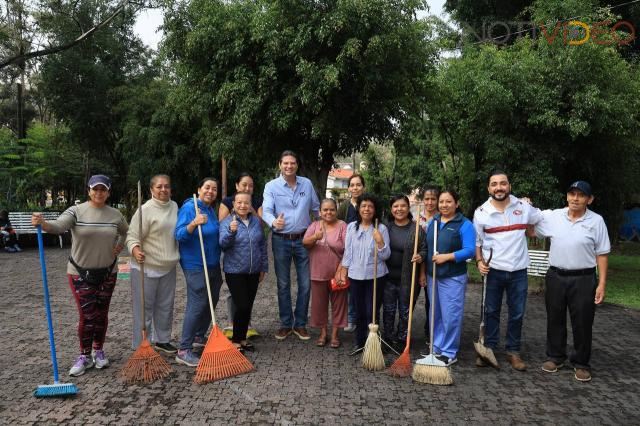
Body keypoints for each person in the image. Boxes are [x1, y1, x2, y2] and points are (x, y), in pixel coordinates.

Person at [31, 174, 128, 376]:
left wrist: (119, 246)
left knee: (101, 315)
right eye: (95, 189)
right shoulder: (76, 211)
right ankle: (84, 355)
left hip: (108, 272)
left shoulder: (115, 214)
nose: (99, 193)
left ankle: (98, 351)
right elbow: (59, 226)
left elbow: (126, 231)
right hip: (80, 273)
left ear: (108, 192)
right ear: (89, 190)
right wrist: (44, 223)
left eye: (103, 189)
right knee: (88, 315)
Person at [534, 181, 610, 382]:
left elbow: (602, 254)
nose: (575, 198)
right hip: (556, 276)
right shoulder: (554, 216)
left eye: (581, 195)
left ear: (589, 199)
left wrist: (601, 283)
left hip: (584, 278)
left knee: (583, 321)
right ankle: (556, 357)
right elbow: (532, 229)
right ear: (567, 196)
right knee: (555, 318)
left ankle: (581, 363)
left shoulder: (596, 221)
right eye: (572, 194)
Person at [473, 170, 543, 371]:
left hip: (519, 270)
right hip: (493, 270)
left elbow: (541, 219)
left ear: (509, 186)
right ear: (489, 188)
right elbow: (478, 242)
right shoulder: (481, 212)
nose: (499, 187)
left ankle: (513, 351)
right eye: (494, 184)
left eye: (503, 183)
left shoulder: (523, 206)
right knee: (491, 311)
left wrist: (531, 227)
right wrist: (479, 261)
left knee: (517, 313)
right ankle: (489, 350)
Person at [262, 150, 320, 341]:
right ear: (280, 165)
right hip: (281, 240)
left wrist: (322, 229)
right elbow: (266, 210)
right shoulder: (271, 186)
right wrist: (273, 222)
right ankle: (286, 324)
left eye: (292, 163)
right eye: (285, 163)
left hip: (304, 240)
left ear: (297, 165)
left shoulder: (307, 184)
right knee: (283, 283)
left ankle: (300, 324)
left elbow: (316, 208)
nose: (289, 166)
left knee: (305, 283)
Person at [126, 174, 180, 353]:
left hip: (168, 265)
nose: (163, 189)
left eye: (167, 186)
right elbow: (132, 236)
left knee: (165, 306)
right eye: (159, 186)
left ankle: (162, 339)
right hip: (145, 266)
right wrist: (135, 250)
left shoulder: (174, 206)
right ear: (151, 190)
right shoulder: (145, 210)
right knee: (143, 310)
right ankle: (141, 344)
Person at [174, 177, 223, 367]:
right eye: (207, 188)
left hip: (212, 263)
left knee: (213, 297)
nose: (210, 191)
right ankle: (184, 349)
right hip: (195, 264)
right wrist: (193, 223)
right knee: (198, 301)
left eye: (214, 189)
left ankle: (198, 336)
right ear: (199, 189)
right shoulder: (189, 208)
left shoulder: (210, 210)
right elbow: (179, 235)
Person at [425, 189, 475, 366]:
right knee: (435, 313)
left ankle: (449, 352)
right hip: (433, 276)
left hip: (452, 277)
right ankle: (437, 347)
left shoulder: (464, 224)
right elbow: (427, 245)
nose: (444, 205)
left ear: (456, 203)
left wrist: (447, 257)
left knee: (450, 315)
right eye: (441, 202)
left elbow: (470, 250)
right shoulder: (434, 222)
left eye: (448, 202)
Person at [339, 194, 390, 354]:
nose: (366, 209)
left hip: (375, 276)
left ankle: (373, 341)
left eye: (370, 206)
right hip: (355, 275)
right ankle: (359, 341)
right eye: (363, 206)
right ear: (359, 209)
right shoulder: (351, 227)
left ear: (375, 210)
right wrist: (344, 270)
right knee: (359, 311)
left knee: (372, 311)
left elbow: (386, 255)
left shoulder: (380, 228)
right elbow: (347, 252)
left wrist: (380, 242)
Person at [219, 192, 268, 352]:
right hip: (234, 271)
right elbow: (223, 244)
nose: (242, 206)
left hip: (253, 271)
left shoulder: (256, 222)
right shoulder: (227, 222)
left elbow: (262, 246)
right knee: (242, 305)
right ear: (233, 204)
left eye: (246, 203)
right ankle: (235, 339)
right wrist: (231, 232)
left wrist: (263, 267)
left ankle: (242, 338)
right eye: (239, 203)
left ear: (250, 205)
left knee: (248, 306)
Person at [303, 199, 348, 348]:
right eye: (325, 210)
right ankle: (323, 333)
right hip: (318, 272)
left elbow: (349, 249)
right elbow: (305, 243)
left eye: (332, 209)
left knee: (339, 304)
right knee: (319, 305)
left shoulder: (343, 226)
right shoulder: (314, 225)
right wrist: (316, 237)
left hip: (338, 274)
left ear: (336, 210)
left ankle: (335, 335)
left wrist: (342, 269)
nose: (329, 212)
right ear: (320, 212)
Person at [384, 195, 426, 350]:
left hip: (408, 280)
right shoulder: (386, 228)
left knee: (405, 311)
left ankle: (402, 340)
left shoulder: (416, 229)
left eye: (402, 206)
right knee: (388, 310)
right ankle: (387, 338)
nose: (399, 209)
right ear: (391, 209)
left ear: (408, 208)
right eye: (395, 206)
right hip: (387, 278)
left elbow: (424, 249)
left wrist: (420, 256)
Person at [337, 174, 365, 333]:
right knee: (350, 288)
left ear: (363, 187)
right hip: (348, 251)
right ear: (348, 188)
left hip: (366, 251)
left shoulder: (368, 204)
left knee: (365, 286)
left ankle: (366, 318)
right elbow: (339, 225)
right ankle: (351, 318)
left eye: (358, 185)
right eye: (352, 185)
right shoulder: (345, 206)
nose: (355, 188)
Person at [417, 185, 440, 341]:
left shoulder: (442, 218)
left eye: (433, 199)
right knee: (409, 300)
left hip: (435, 265)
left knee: (432, 302)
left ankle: (430, 332)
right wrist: (421, 271)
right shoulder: (416, 219)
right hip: (416, 263)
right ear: (422, 200)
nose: (430, 202)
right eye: (427, 199)